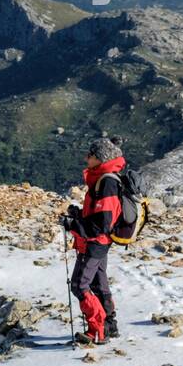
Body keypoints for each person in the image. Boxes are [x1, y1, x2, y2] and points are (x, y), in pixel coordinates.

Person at [61, 138, 124, 344]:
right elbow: (98, 216)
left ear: (100, 159)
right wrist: (77, 214)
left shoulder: (106, 183)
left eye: (90, 155)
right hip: (100, 243)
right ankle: (110, 325)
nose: (86, 158)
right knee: (98, 283)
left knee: (80, 285)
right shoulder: (104, 179)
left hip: (95, 243)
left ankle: (97, 331)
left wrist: (72, 226)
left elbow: (101, 225)